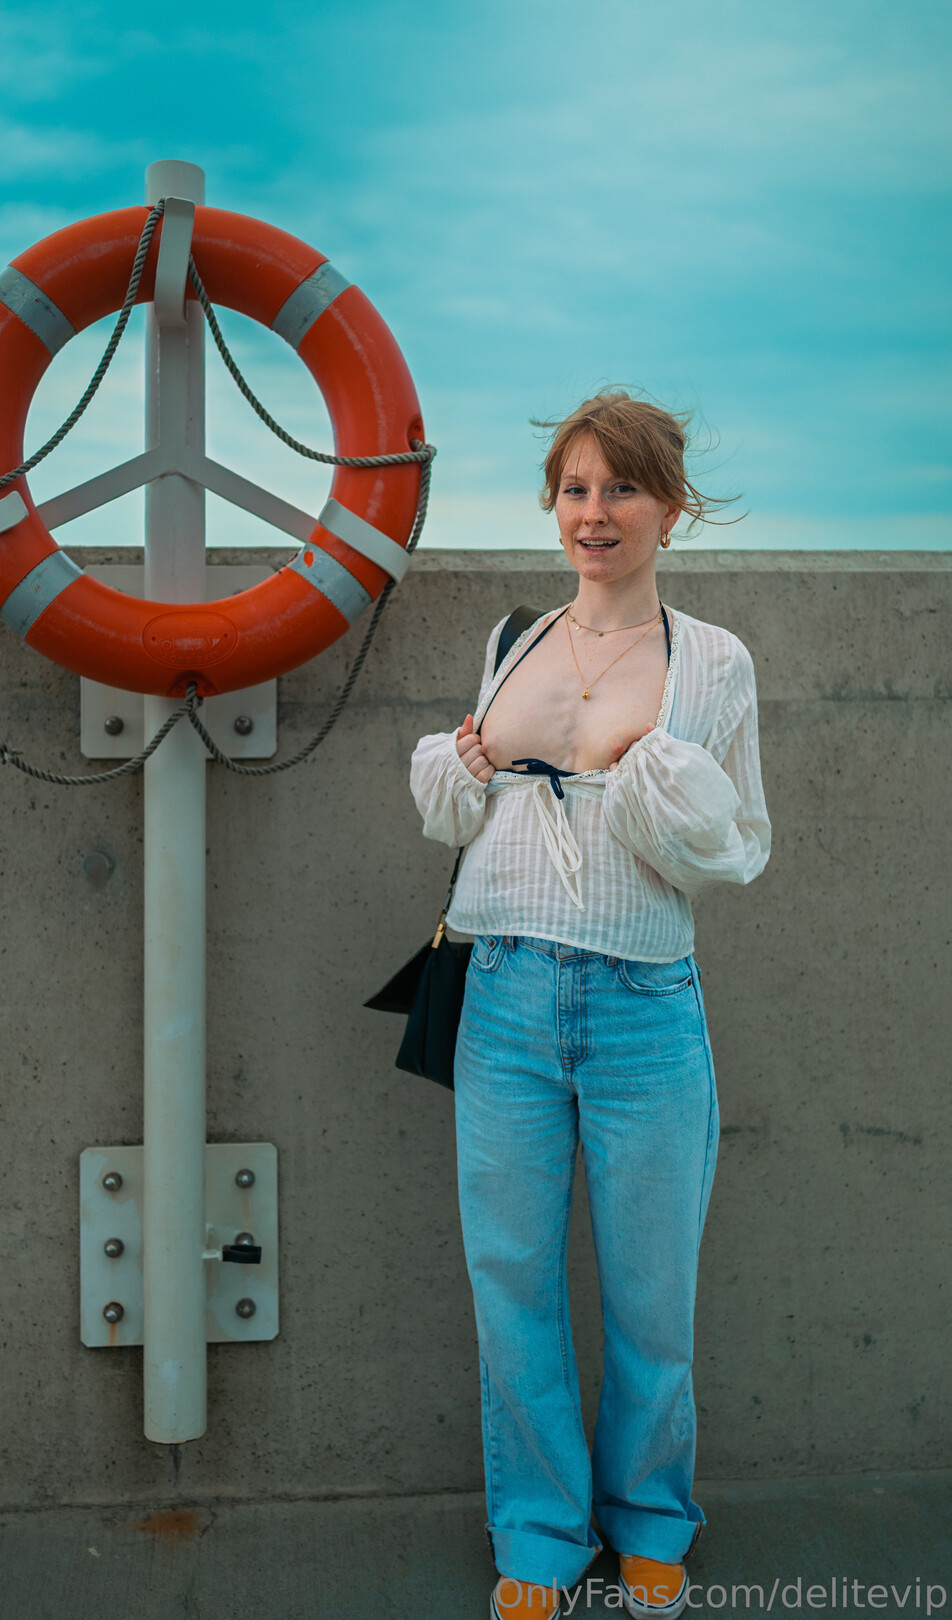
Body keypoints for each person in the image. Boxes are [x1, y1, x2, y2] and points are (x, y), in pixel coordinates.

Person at [409, 393, 771, 1620]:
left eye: (622, 488)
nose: (595, 513)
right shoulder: (513, 640)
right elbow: (460, 813)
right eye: (575, 488)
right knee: (511, 1285)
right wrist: (463, 765)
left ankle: (653, 1520)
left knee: (651, 1296)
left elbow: (735, 848)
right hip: (504, 994)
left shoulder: (714, 661)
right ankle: (540, 1536)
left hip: (642, 1005)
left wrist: (653, 773)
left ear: (672, 506)